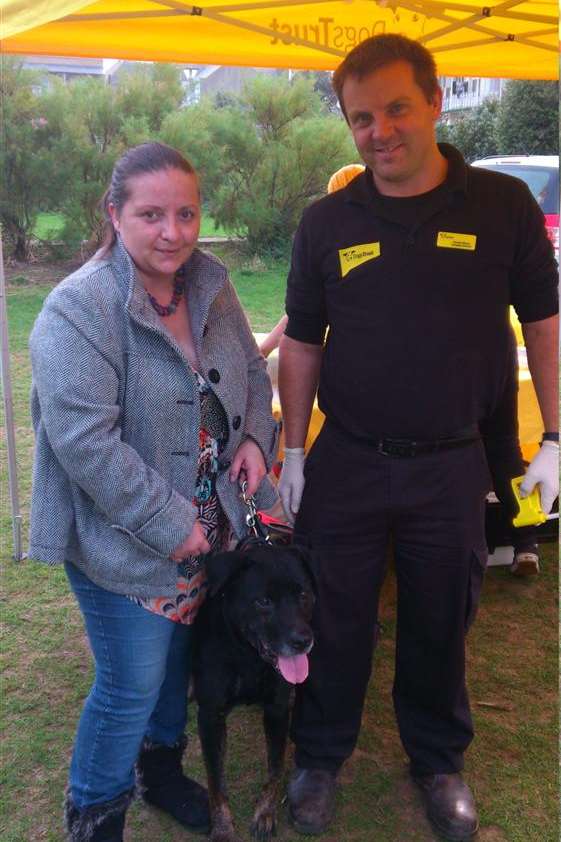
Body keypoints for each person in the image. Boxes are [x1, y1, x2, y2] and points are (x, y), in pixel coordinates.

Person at [277, 35, 558, 841]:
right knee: (332, 615)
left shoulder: (500, 206)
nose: (380, 130)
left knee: (442, 616)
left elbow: (543, 323)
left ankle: (437, 762)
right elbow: (301, 341)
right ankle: (319, 757)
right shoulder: (326, 220)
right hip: (349, 462)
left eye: (397, 107)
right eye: (361, 117)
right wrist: (294, 449)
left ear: (435, 100)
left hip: (450, 464)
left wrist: (556, 436)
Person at [28, 142, 279, 842]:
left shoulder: (210, 285)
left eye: (187, 213)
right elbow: (85, 443)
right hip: (125, 539)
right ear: (114, 213)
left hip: (211, 528)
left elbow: (252, 377)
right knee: (129, 687)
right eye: (151, 214)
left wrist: (257, 439)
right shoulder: (78, 310)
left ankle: (161, 775)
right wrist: (170, 522)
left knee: (177, 668)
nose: (173, 231)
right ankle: (95, 818)